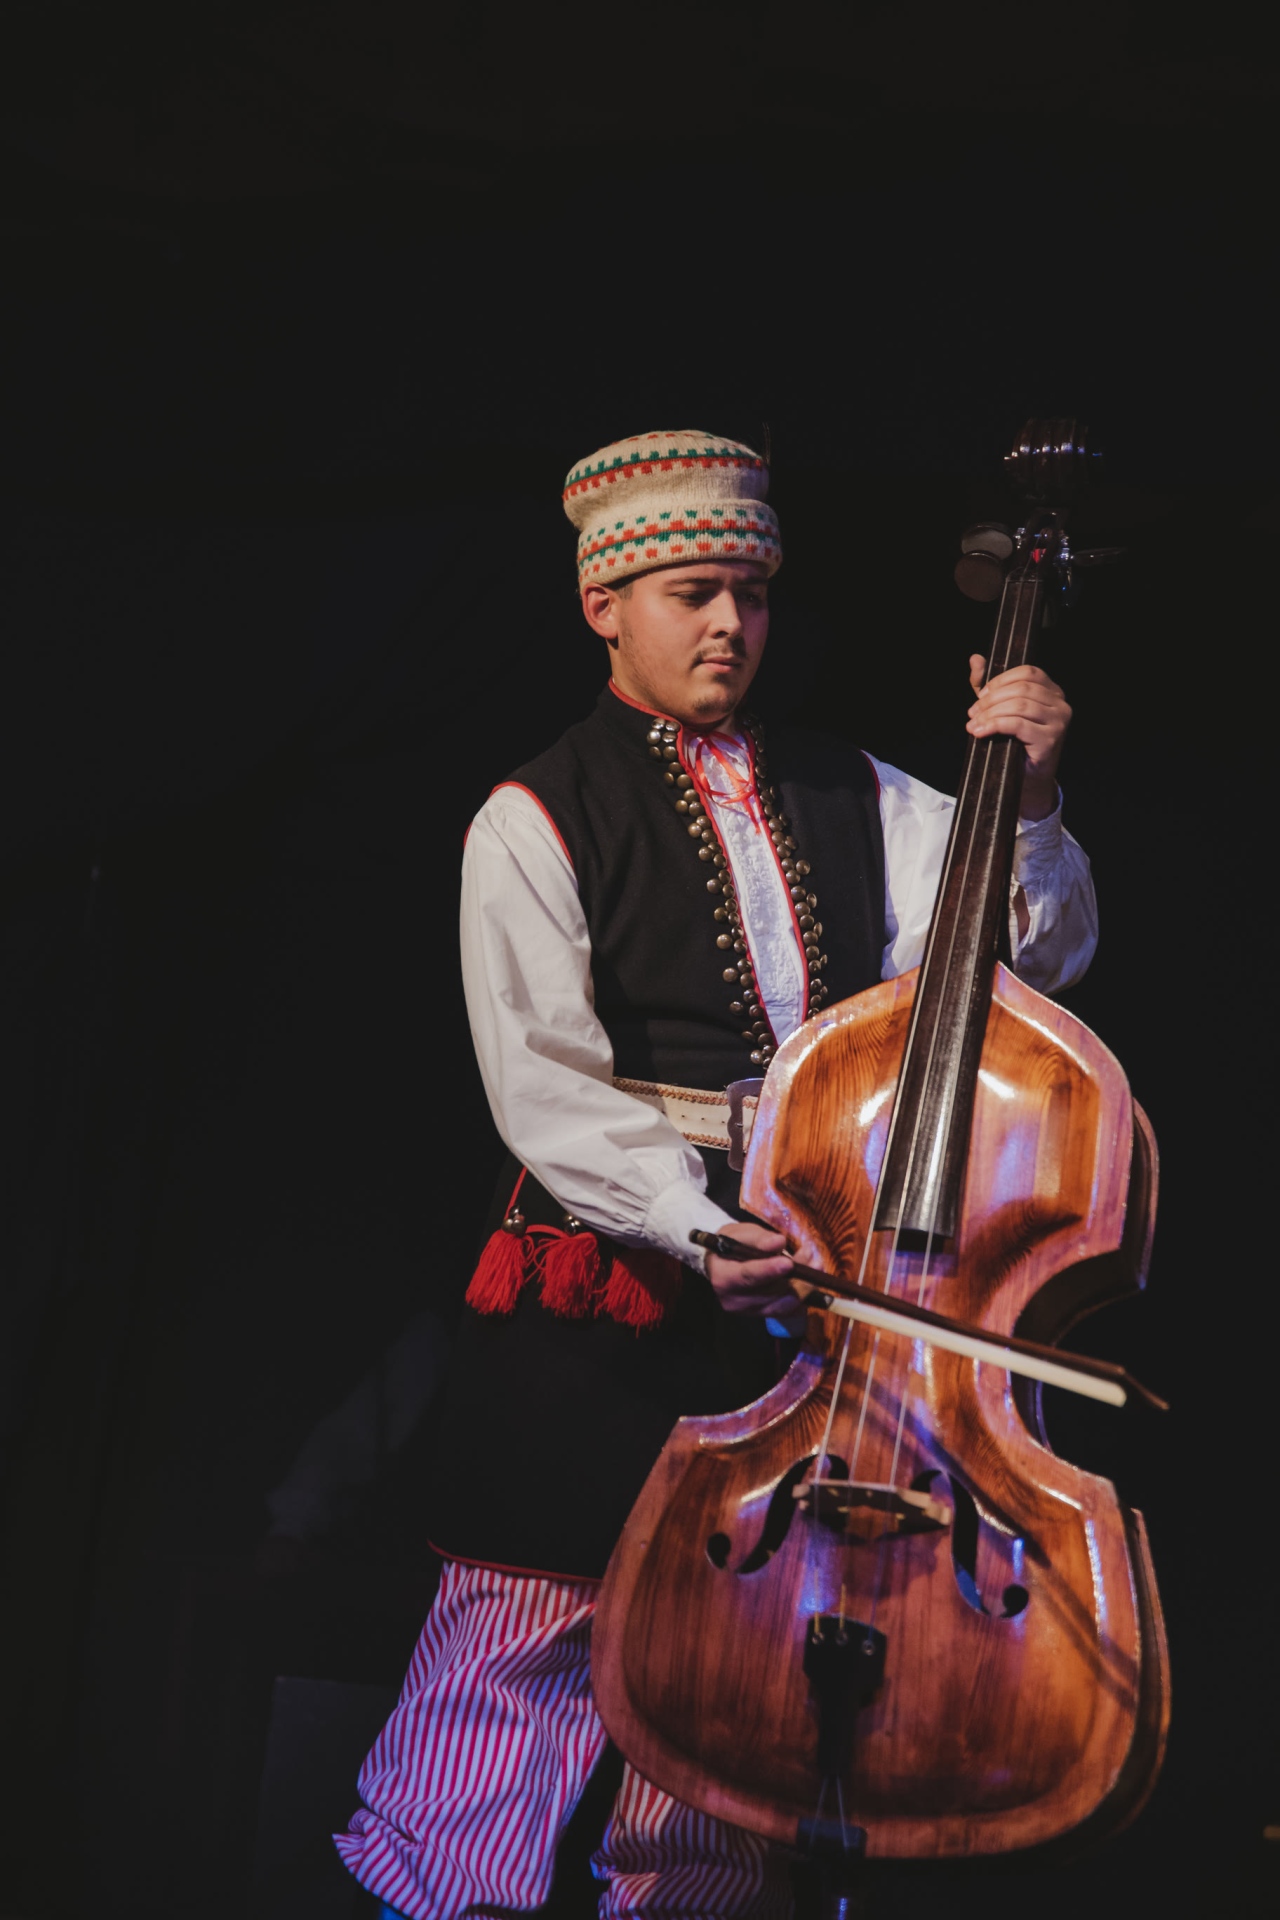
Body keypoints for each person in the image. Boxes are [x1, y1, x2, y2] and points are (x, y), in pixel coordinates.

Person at [335, 429, 1096, 1920]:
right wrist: (691, 1221)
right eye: (693, 593)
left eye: (749, 592)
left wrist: (1034, 799)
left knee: (740, 1655)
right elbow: (543, 1087)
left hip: (809, 1275)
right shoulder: (536, 812)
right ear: (604, 606)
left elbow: (1021, 962)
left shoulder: (853, 788)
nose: (731, 625)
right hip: (614, 1273)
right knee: (529, 1618)